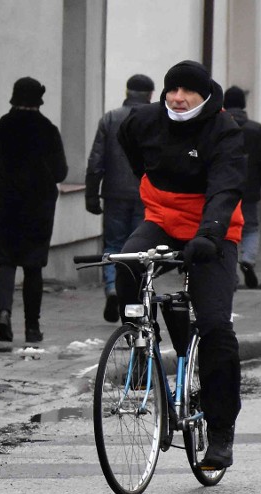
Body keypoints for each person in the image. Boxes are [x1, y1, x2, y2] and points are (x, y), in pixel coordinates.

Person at [117, 60, 245, 470]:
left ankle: (221, 432)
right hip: (161, 220)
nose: (177, 97)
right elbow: (130, 145)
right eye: (172, 89)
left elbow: (227, 186)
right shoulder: (144, 120)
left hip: (213, 230)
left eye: (187, 91)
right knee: (128, 262)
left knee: (214, 326)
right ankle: (141, 348)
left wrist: (209, 234)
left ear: (204, 95)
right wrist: (152, 186)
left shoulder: (223, 129)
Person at [0, 76, 68, 343]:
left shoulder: (1, 127)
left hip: (5, 206)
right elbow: (61, 171)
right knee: (33, 267)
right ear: (38, 100)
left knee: (5, 262)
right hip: (38, 209)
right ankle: (32, 327)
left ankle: (4, 315)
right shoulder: (48, 130)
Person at [85, 74, 153, 321]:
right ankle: (132, 297)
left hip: (114, 194)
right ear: (150, 95)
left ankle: (113, 288)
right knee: (139, 249)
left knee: (114, 246)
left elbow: (96, 160)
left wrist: (91, 194)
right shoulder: (157, 120)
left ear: (127, 92)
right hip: (147, 195)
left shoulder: (110, 118)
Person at [223, 86, 261, 288]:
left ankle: (229, 272)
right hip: (249, 189)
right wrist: (257, 182)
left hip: (223, 189)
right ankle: (248, 260)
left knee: (225, 230)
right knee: (250, 228)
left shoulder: (218, 126)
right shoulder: (256, 128)